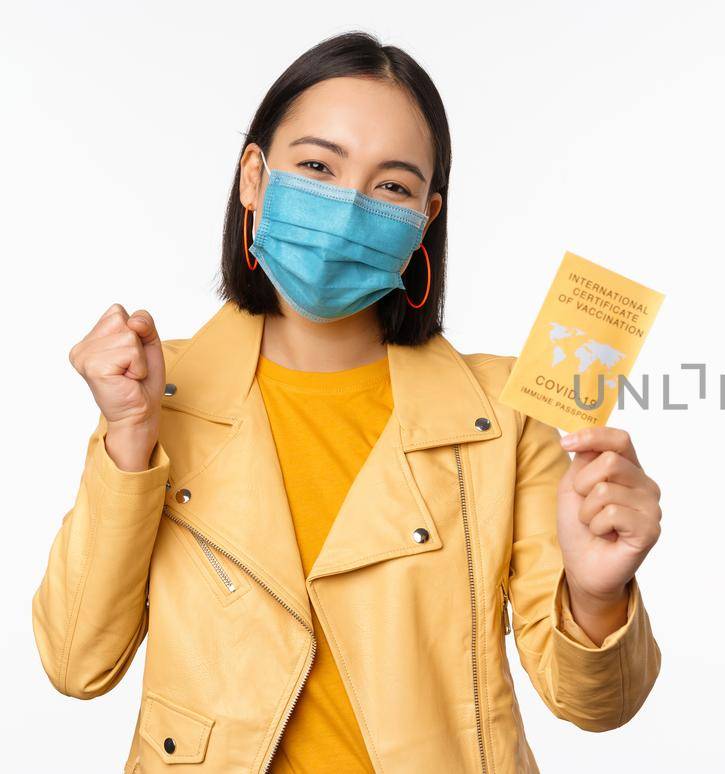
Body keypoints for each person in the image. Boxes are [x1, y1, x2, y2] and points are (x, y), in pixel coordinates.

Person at [31, 31, 663, 774]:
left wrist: (596, 594)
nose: (345, 206)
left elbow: (595, 706)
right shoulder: (158, 392)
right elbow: (77, 664)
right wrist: (128, 439)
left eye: (390, 186)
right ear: (254, 178)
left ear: (425, 218)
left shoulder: (506, 412)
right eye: (317, 166)